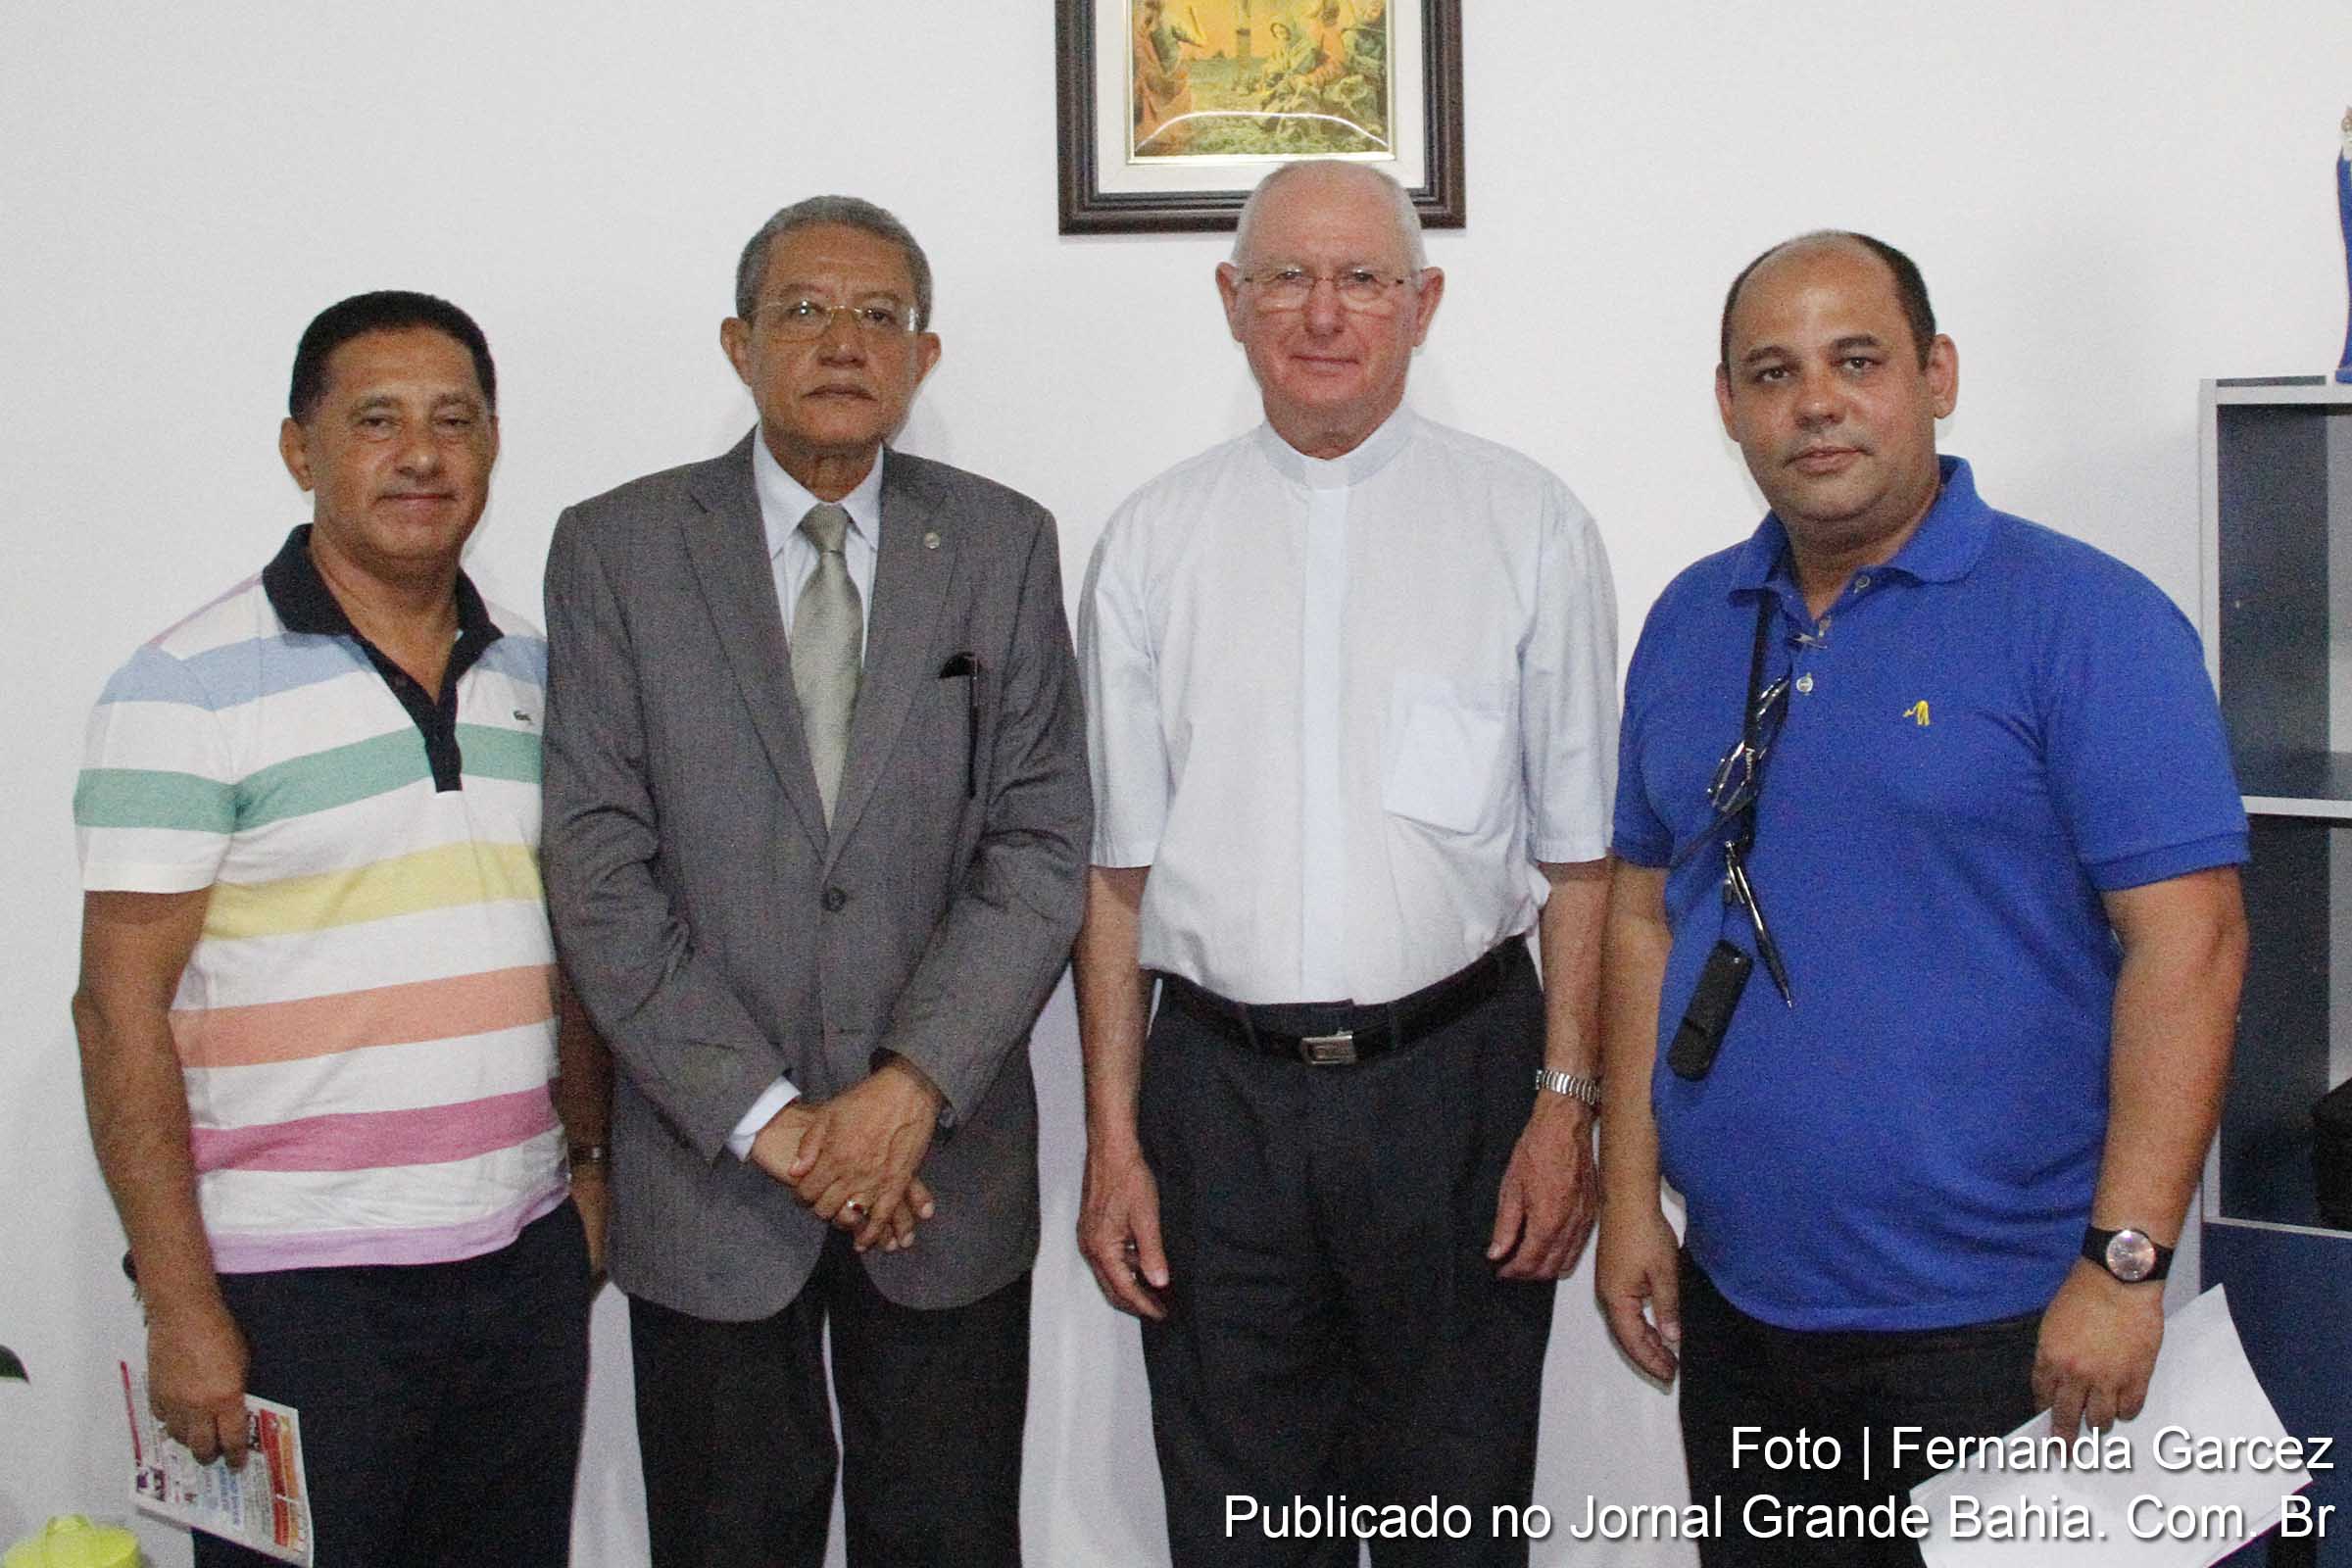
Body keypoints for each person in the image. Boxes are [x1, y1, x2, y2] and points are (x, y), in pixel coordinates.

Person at [1594, 231, 2249, 1567]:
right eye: (1772, 372)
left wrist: (2122, 1266)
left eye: (1857, 361)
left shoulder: (2089, 620)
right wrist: (1627, 1196)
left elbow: (2193, 946)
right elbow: (1647, 916)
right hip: (1744, 1309)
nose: (1815, 404)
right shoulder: (1691, 621)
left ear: (1936, 375)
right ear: (1727, 404)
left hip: (2011, 1326)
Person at [1074, 160, 1619, 1568]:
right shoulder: (1150, 543)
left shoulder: (1530, 525)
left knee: (1456, 1519)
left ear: (1422, 306)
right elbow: (1115, 878)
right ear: (1231, 301)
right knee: (1242, 1530)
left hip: (1460, 1091)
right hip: (1218, 1108)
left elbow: (1580, 859)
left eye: (1364, 279)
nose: (1324, 314)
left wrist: (1565, 1107)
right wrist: (1115, 1141)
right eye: (1287, 279)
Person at [540, 195, 1089, 1568]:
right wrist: (774, 1122)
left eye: (878, 316)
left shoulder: (1005, 545)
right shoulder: (617, 550)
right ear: (738, 344)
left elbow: (1038, 841)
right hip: (713, 1181)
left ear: (924, 355)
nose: (843, 342)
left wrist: (908, 1090)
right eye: (803, 310)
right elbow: (599, 870)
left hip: (942, 1174)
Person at [72, 290, 610, 1568]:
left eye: (453, 420)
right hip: (289, 1292)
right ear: (298, 448)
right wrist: (182, 1305)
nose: (421, 455)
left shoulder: (541, 674)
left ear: (492, 444)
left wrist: (590, 1170)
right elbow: (116, 1010)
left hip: (521, 1262)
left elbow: (581, 950)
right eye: (377, 420)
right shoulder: (184, 687)